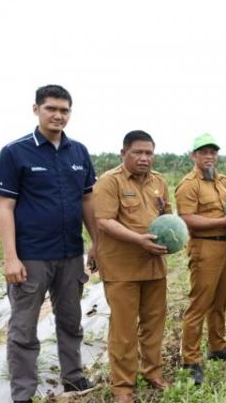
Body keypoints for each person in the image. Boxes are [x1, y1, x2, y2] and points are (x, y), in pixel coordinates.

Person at [0, 85, 97, 402]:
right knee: (23, 330)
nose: (58, 115)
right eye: (51, 108)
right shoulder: (16, 152)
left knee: (71, 321)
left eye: (64, 110)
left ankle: (74, 378)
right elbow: (5, 207)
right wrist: (11, 258)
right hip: (31, 256)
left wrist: (97, 243)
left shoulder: (78, 152)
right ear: (36, 109)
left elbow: (88, 200)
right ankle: (22, 393)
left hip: (69, 254)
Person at [94, 131, 171, 403]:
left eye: (149, 153)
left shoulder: (159, 182)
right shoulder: (109, 182)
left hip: (154, 266)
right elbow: (104, 221)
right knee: (124, 329)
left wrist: (176, 236)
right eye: (138, 152)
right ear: (123, 153)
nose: (144, 158)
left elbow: (167, 217)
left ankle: (153, 372)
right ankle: (123, 386)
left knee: (154, 324)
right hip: (121, 268)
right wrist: (139, 240)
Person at [175, 134, 226, 385]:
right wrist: (222, 222)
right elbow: (187, 218)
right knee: (199, 304)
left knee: (220, 300)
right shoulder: (189, 184)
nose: (209, 156)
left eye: (212, 152)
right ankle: (190, 359)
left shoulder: (223, 181)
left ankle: (217, 347)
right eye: (203, 152)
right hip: (204, 248)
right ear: (193, 156)